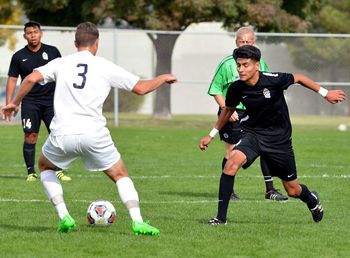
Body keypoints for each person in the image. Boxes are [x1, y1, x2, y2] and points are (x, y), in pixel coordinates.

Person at [1, 22, 177, 235]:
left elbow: (30, 78)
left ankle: (64, 216)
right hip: (94, 134)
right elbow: (140, 88)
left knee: (46, 167)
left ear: (75, 43)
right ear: (97, 43)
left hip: (62, 134)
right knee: (120, 175)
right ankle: (138, 221)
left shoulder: (61, 63)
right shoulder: (104, 66)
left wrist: (15, 102)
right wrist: (162, 78)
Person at [199, 45, 345, 225]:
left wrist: (325, 93)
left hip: (279, 140)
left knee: (292, 190)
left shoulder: (273, 80)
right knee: (230, 164)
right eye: (239, 65)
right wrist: (211, 134)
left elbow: (298, 78)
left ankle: (312, 200)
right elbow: (228, 110)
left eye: (245, 65)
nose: (241, 69)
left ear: (257, 65)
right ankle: (220, 219)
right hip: (253, 134)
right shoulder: (236, 88)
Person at [208, 26, 287, 201]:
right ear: (236, 43)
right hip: (232, 112)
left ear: (254, 43)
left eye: (247, 42)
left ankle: (270, 190)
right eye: (241, 41)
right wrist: (227, 109)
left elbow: (268, 86)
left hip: (255, 113)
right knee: (232, 150)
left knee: (265, 148)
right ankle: (229, 191)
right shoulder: (227, 63)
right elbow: (215, 89)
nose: (244, 44)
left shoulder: (259, 63)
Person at [5, 21, 71, 181]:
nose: (33, 35)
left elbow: (63, 74)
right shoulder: (18, 56)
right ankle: (31, 173)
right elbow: (12, 79)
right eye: (29, 33)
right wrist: (10, 103)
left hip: (51, 101)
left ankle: (59, 170)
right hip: (30, 102)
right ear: (24, 36)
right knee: (30, 135)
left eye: (35, 32)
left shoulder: (53, 52)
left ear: (41, 33)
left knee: (57, 134)